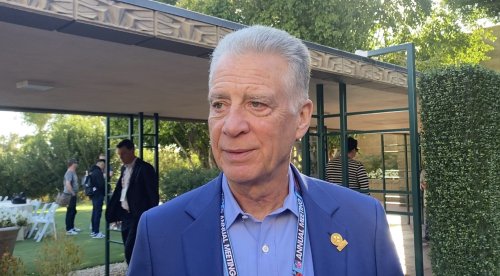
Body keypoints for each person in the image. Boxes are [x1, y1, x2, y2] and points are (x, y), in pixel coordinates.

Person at [128, 25, 402, 275]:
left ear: (302, 118)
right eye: (219, 105)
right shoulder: (159, 232)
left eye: (257, 104)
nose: (231, 126)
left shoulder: (364, 222)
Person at [105, 139, 159, 264]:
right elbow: (121, 192)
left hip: (138, 216)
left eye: (123, 154)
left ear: (132, 150)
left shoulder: (145, 168)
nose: (121, 157)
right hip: (126, 216)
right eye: (119, 155)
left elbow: (152, 195)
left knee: (130, 251)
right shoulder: (124, 169)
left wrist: (149, 216)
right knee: (129, 248)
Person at [88, 158, 106, 239]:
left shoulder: (92, 171)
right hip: (98, 195)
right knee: (97, 213)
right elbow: (101, 184)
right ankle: (96, 232)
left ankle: (93, 231)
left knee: (95, 212)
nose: (103, 166)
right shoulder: (98, 172)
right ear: (100, 164)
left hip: (94, 194)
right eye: (103, 164)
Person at [64, 158, 81, 235]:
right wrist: (72, 193)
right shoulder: (69, 172)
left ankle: (72, 227)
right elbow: (68, 184)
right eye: (76, 162)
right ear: (72, 164)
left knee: (73, 211)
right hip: (69, 194)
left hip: (72, 194)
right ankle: (69, 229)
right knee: (70, 211)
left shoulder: (73, 172)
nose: (77, 164)